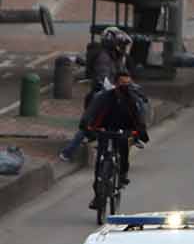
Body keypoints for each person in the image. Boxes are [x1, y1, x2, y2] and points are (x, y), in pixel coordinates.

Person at [59, 27, 132, 162]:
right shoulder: (104, 58)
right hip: (101, 95)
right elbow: (103, 77)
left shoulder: (116, 58)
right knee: (90, 124)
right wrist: (113, 89)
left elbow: (124, 75)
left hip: (112, 94)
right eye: (121, 45)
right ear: (113, 44)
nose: (123, 48)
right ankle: (68, 152)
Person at [80, 70, 149, 205]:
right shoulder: (104, 97)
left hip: (124, 130)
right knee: (100, 162)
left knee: (123, 146)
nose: (125, 86)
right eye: (122, 83)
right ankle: (98, 195)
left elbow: (139, 117)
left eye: (127, 83)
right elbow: (90, 112)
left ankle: (122, 174)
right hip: (106, 129)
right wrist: (87, 127)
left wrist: (139, 132)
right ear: (115, 83)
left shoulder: (132, 99)